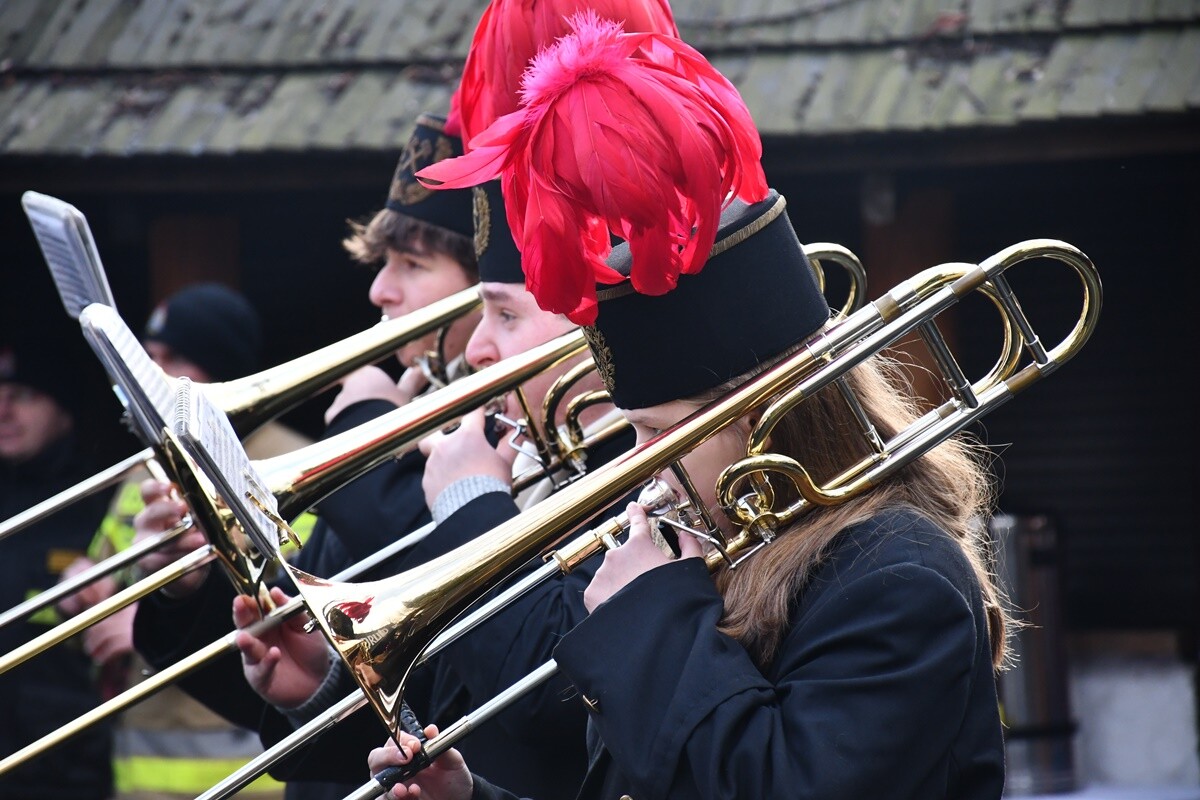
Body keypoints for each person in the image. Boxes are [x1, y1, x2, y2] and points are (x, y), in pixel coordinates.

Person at [367, 15, 1010, 800]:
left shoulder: (897, 579)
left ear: (762, 417)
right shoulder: (717, 551)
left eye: (660, 432)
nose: (639, 468)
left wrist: (650, 615)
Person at [232, 178, 634, 800]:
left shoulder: (641, 478)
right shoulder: (519, 454)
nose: (476, 344)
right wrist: (324, 685)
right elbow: (438, 696)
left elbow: (553, 700)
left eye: (504, 313)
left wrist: (468, 501)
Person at [127, 112, 480, 800]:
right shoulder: (405, 418)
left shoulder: (506, 446)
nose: (380, 290)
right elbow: (289, 689)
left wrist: (363, 422)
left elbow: (460, 671)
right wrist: (190, 591)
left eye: (412, 265)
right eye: (383, 263)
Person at [56, 282, 313, 800]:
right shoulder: (151, 463)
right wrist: (84, 587)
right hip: (140, 762)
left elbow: (301, 610)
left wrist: (148, 620)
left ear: (216, 362)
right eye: (148, 354)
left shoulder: (295, 461)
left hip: (249, 767)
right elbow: (108, 565)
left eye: (170, 356)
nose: (150, 367)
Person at [0, 327, 117, 800]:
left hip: (74, 765)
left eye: (22, 395)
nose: (3, 411)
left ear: (63, 408)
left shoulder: (105, 498)